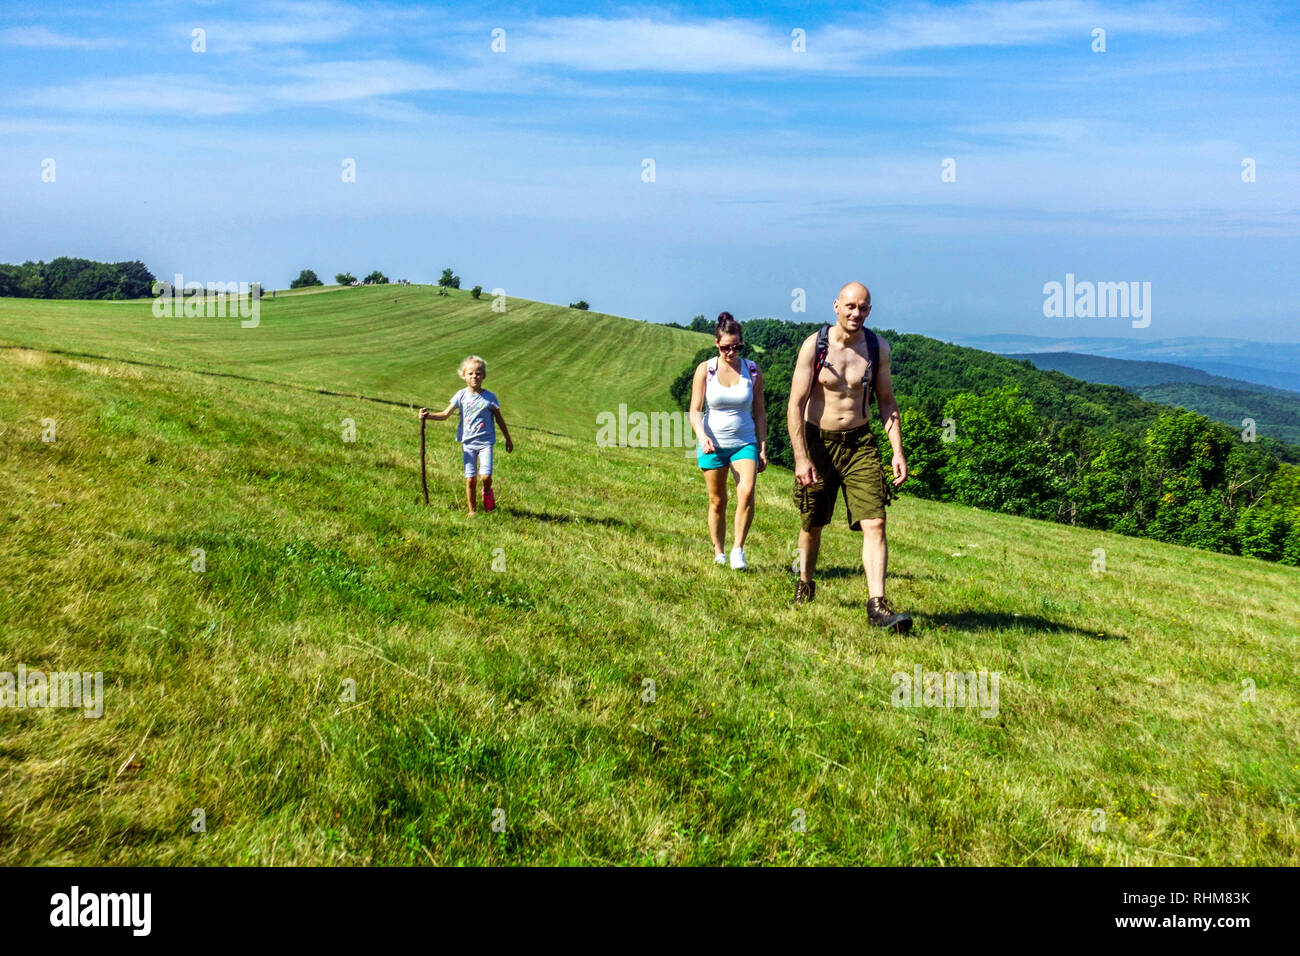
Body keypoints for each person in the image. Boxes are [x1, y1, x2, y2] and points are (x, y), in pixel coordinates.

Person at [786, 282, 912, 631]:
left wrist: (896, 451)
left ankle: (877, 605)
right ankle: (805, 582)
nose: (857, 314)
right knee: (813, 522)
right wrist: (801, 457)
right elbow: (795, 404)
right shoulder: (815, 346)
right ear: (836, 306)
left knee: (875, 521)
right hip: (819, 442)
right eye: (851, 306)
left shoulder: (876, 348)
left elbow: (886, 400)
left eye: (865, 308)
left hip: (861, 443)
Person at [689, 312, 768, 569]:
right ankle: (719, 551)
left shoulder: (752, 370)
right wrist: (702, 437)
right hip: (712, 443)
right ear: (716, 344)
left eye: (737, 347)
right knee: (717, 501)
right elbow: (695, 409)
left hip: (744, 442)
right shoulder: (706, 369)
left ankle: (738, 550)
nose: (731, 352)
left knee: (746, 493)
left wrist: (762, 446)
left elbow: (760, 411)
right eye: (725, 347)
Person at [419, 355, 513, 516]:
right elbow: (445, 414)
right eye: (470, 373)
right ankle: (472, 511)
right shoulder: (461, 395)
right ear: (464, 376)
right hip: (468, 443)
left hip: (486, 443)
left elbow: (499, 419)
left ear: (483, 376)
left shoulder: (490, 397)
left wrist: (508, 439)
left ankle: (486, 491)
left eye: (478, 373)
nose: (474, 376)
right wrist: (428, 416)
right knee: (470, 479)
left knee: (485, 476)